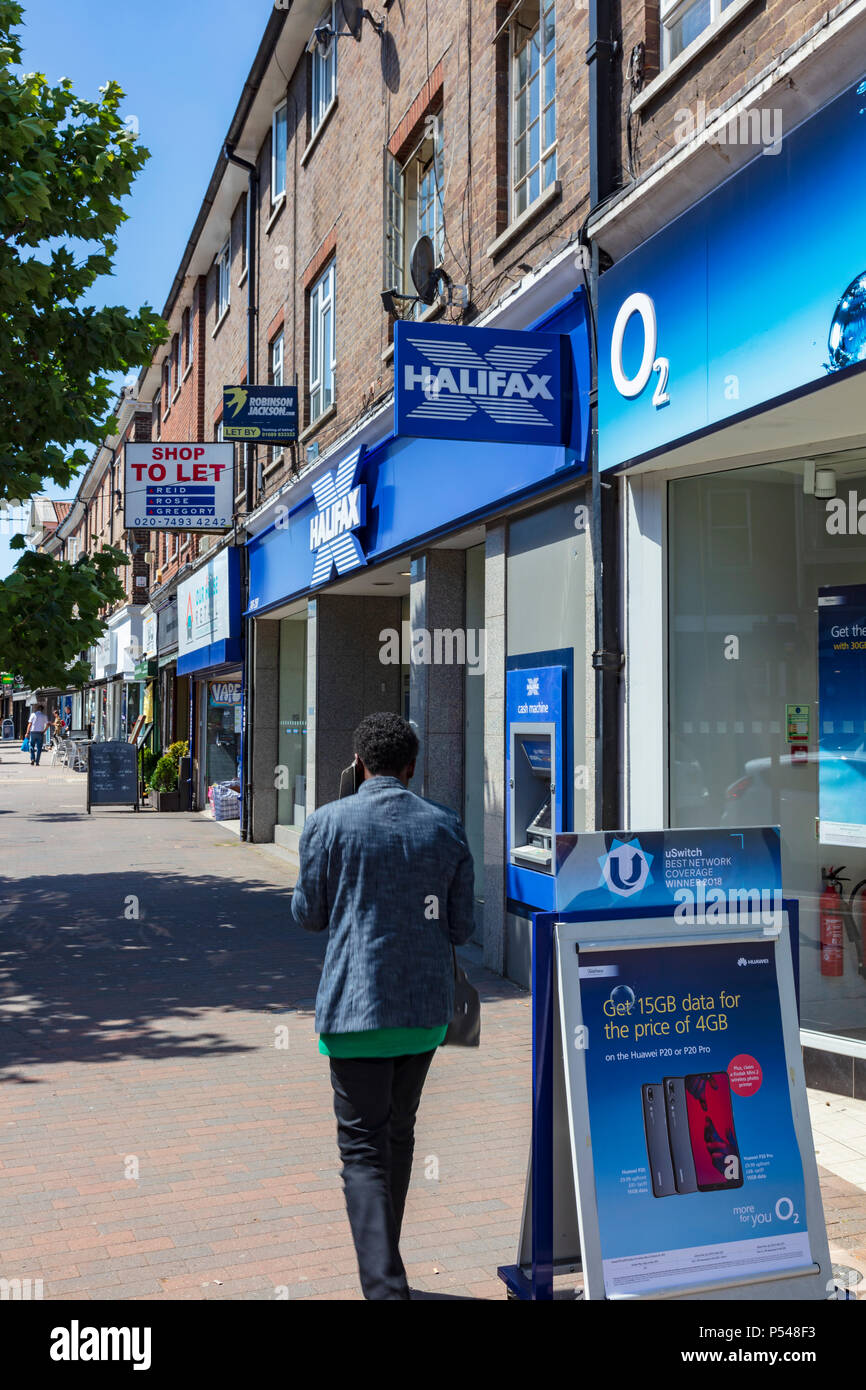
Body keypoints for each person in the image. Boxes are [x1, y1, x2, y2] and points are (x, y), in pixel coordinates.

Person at [291, 712, 475, 1301]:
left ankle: (384, 1287)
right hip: (423, 1014)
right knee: (398, 1136)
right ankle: (388, 1270)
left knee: (363, 1150)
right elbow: (463, 926)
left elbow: (309, 915)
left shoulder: (326, 823)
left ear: (359, 765)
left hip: (354, 1011)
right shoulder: (445, 825)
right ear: (412, 767)